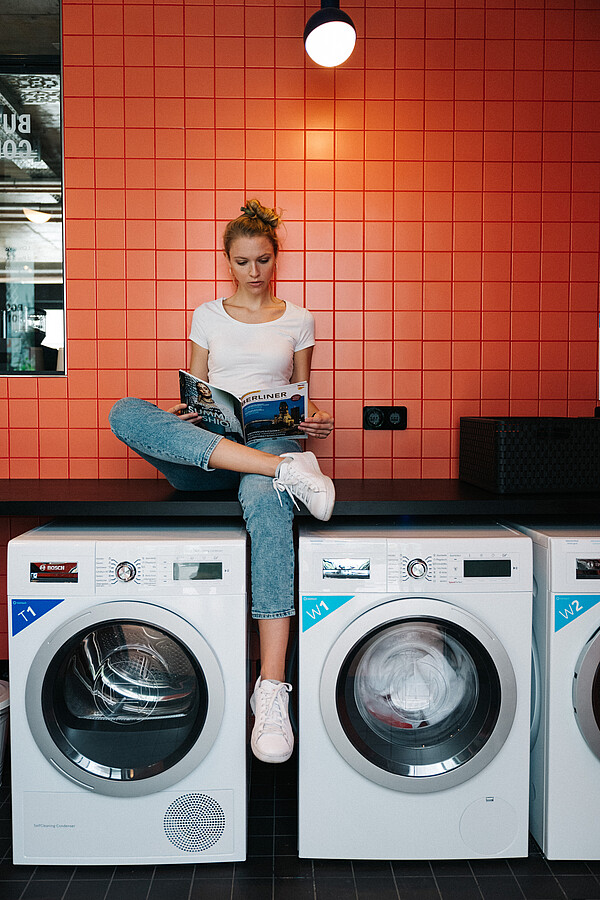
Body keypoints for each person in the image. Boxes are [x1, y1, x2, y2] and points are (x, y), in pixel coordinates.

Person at [109, 199, 335, 764]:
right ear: (227, 261)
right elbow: (197, 385)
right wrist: (186, 415)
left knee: (265, 504)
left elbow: (301, 396)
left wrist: (313, 423)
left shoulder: (299, 319)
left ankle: (272, 691)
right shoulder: (207, 315)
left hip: (273, 440)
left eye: (263, 260)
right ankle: (286, 473)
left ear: (276, 258)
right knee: (125, 411)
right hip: (212, 449)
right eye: (242, 262)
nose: (253, 272)